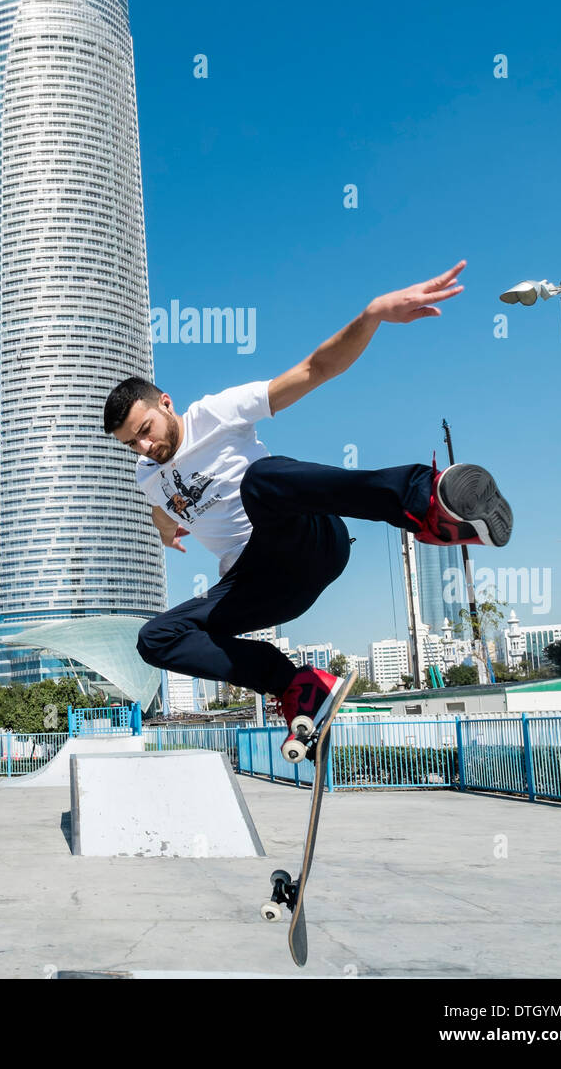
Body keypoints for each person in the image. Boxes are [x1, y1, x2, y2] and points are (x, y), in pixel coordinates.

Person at [103, 260, 512, 755]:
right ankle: (297, 687)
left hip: (306, 539)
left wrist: (373, 316)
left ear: (166, 404)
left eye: (144, 431)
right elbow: (162, 505)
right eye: (131, 444)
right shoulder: (148, 476)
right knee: (157, 638)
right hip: (261, 586)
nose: (144, 448)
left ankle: (425, 502)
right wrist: (165, 528)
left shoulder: (216, 413)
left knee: (261, 480)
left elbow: (314, 369)